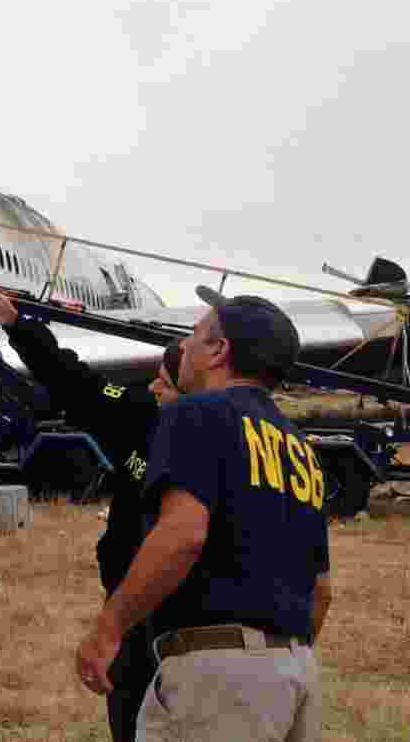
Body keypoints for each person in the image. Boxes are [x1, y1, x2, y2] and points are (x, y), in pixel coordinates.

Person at [76, 285, 334, 742]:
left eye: (194, 335)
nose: (186, 347)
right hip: (297, 673)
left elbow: (183, 535)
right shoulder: (299, 447)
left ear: (218, 350)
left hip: (218, 678)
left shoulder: (196, 413)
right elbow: (321, 590)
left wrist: (109, 627)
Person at [0, 286, 183, 742]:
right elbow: (75, 381)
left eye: (166, 381)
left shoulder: (217, 443)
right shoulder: (142, 415)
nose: (155, 386)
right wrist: (17, 324)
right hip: (133, 614)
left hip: (187, 623)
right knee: (130, 717)